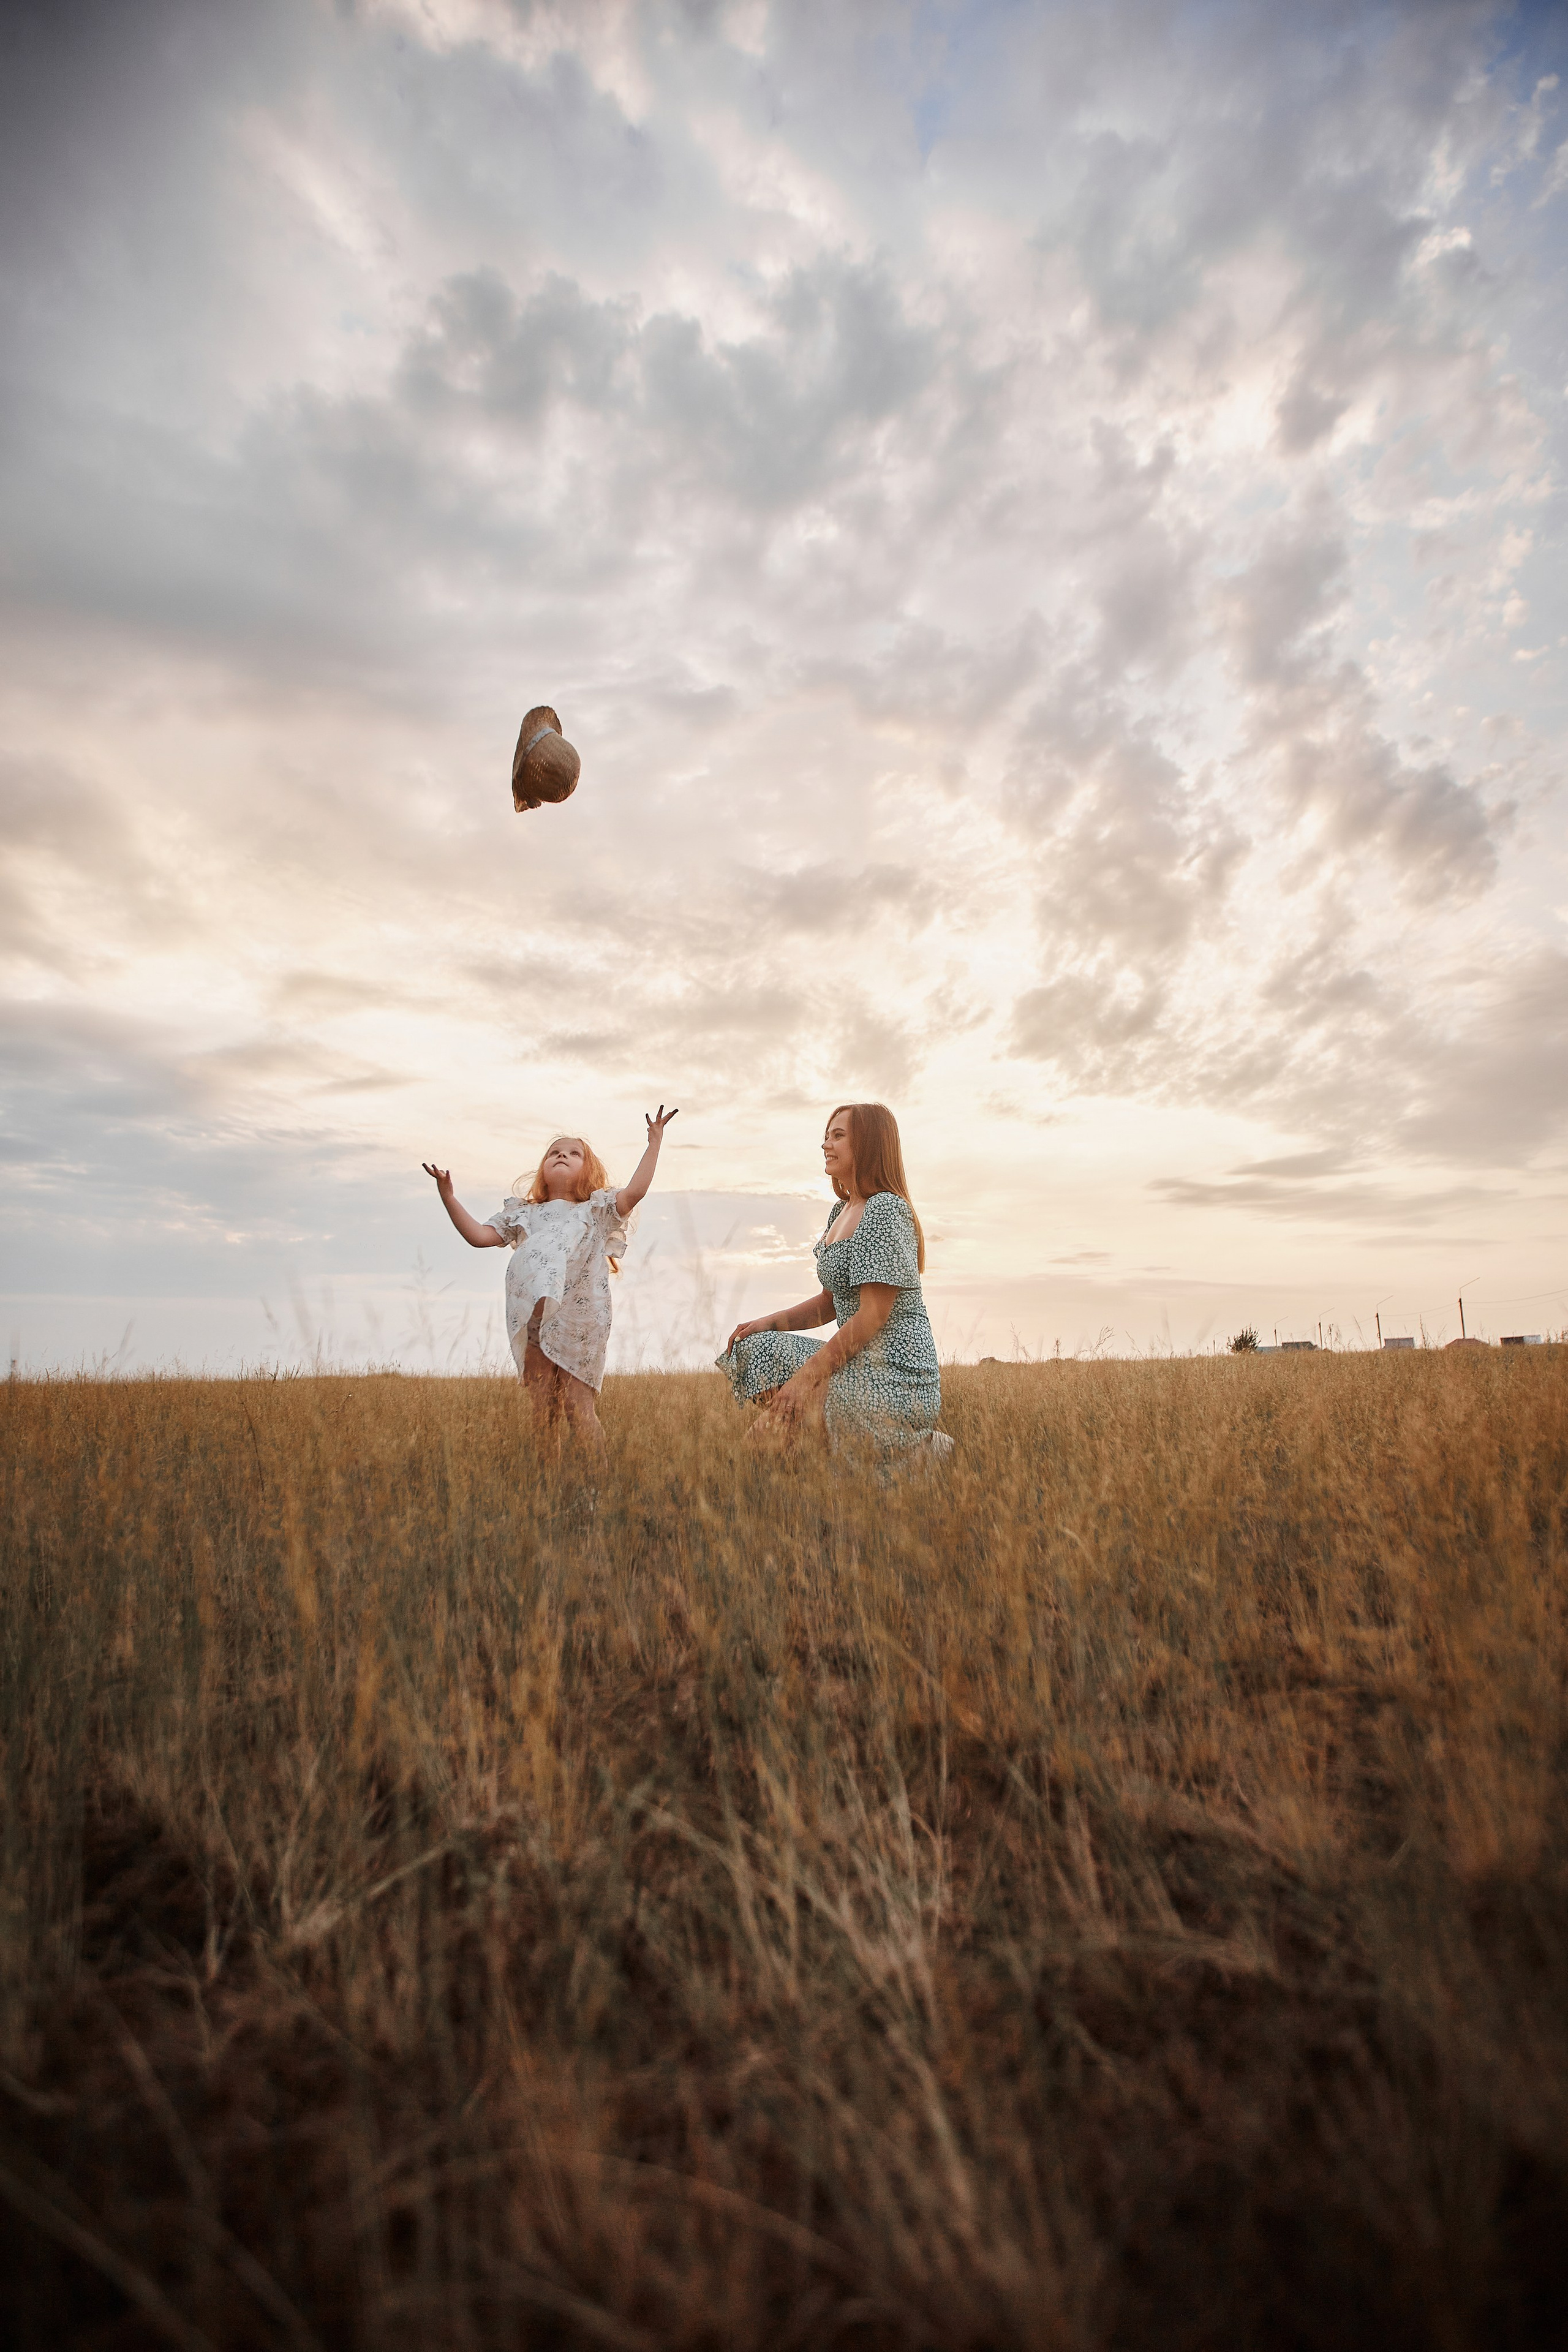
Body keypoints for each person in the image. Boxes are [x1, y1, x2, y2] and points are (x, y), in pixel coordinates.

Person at [423, 1106, 677, 1446]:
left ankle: (595, 1479)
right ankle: (547, 1478)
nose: (562, 1156)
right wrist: (449, 1198)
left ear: (589, 1170)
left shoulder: (596, 1210)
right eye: (555, 1153)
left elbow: (635, 1192)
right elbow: (479, 1237)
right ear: (543, 1169)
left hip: (582, 1322)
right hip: (535, 1322)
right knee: (543, 1410)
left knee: (577, 1406)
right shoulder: (524, 1213)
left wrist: (654, 1141)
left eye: (574, 1154)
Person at [718, 1101, 948, 1455]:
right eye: (827, 1136)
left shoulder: (886, 1209)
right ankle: (823, 1439)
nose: (826, 1145)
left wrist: (806, 1379)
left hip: (894, 1372)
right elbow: (829, 1303)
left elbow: (872, 1315)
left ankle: (917, 1448)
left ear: (868, 1145)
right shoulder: (839, 1211)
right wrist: (767, 1323)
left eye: (838, 1136)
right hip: (854, 1361)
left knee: (759, 1444)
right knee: (754, 1347)